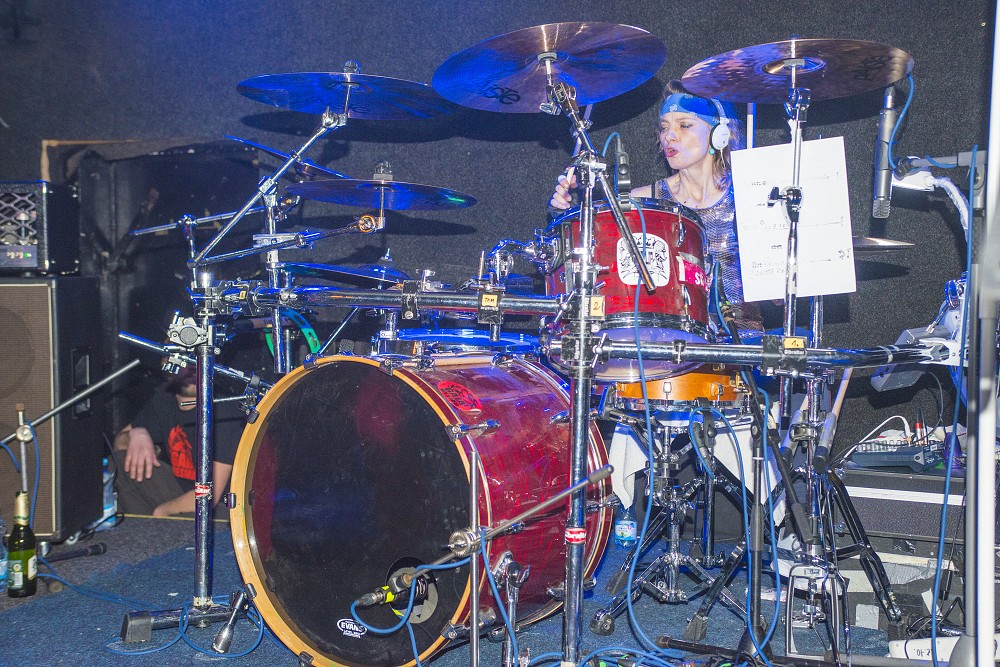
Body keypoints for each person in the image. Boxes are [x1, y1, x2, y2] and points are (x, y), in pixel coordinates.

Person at [549, 80, 764, 336]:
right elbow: (598, 259)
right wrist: (566, 212)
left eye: (684, 125)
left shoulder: (749, 195)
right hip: (673, 342)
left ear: (719, 133)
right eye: (664, 128)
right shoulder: (643, 201)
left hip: (746, 344)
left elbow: (779, 291)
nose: (669, 136)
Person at [113, 365, 246, 517]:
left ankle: (156, 526)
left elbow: (208, 495)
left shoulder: (224, 409)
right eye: (186, 363)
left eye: (197, 363)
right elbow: (119, 444)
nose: (192, 370)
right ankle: (140, 527)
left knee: (196, 513)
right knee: (120, 462)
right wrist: (136, 434)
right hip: (181, 491)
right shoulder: (164, 397)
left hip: (222, 507)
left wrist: (162, 511)